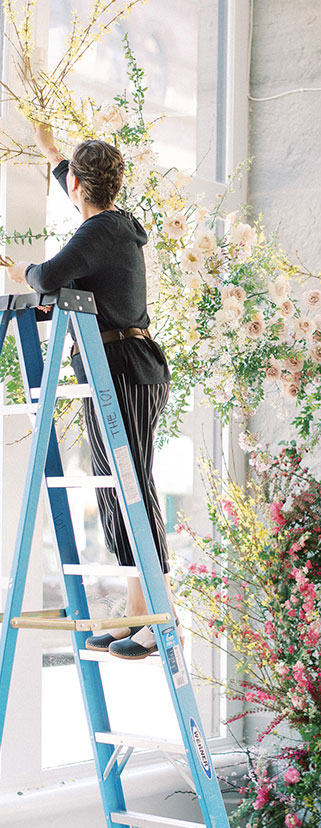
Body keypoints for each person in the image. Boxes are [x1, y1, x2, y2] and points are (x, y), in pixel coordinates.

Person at [7, 124, 178, 659]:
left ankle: (162, 617)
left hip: (125, 368)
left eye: (70, 179)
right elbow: (81, 226)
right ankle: (135, 616)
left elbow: (49, 273)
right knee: (117, 491)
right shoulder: (113, 227)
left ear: (79, 185)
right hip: (124, 366)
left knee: (133, 489)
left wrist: (27, 271)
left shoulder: (101, 232)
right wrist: (55, 154)